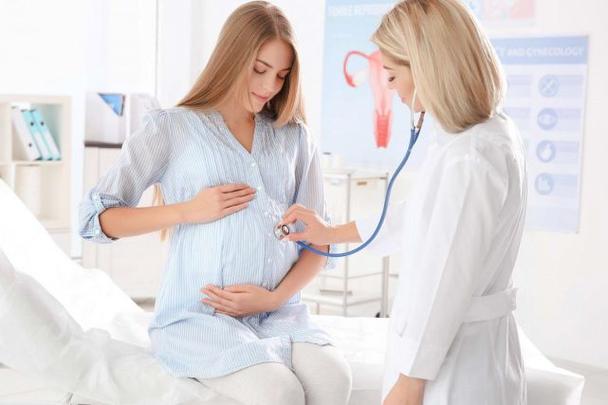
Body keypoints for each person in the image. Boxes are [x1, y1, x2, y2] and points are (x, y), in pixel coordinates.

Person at [79, 2, 352, 404]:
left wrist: (274, 298)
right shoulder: (172, 127)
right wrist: (187, 211)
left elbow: (318, 242)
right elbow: (95, 219)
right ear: (232, 58)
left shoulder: (295, 137)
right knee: (278, 392)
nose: (270, 86)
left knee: (334, 380)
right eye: (260, 69)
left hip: (280, 314)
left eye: (281, 75)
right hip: (199, 319)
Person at [279, 0, 527, 404]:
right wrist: (329, 233)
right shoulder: (471, 139)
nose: (390, 88)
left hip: (455, 369)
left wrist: (411, 381)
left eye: (393, 75)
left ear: (429, 67)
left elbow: (447, 277)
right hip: (451, 356)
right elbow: (416, 219)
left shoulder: (472, 156)